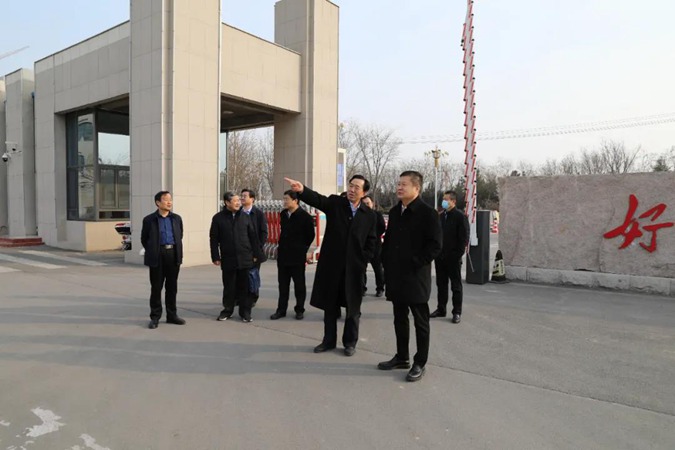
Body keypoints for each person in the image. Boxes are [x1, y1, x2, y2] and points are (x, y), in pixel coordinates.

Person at [285, 175, 377, 356]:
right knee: (330, 306)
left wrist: (363, 259)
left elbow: (371, 241)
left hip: (354, 268)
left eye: (357, 187)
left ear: (364, 192)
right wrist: (302, 190)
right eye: (350, 185)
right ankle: (328, 341)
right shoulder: (336, 204)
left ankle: (350, 343)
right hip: (332, 266)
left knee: (353, 308)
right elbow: (318, 200)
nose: (352, 190)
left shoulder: (369, 215)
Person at [379, 171, 442, 382]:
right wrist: (385, 261)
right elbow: (389, 240)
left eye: (404, 184)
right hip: (396, 275)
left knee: (420, 321)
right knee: (399, 318)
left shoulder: (428, 213)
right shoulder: (395, 211)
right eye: (398, 184)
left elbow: (435, 246)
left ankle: (420, 362)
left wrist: (415, 262)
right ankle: (401, 357)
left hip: (416, 277)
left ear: (416, 188)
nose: (399, 187)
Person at [210, 191, 266, 323]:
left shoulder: (245, 217)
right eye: (235, 201)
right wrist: (215, 256)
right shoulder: (218, 218)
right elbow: (214, 239)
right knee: (229, 287)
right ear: (227, 202)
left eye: (239, 201)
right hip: (228, 258)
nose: (238, 203)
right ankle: (227, 310)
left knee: (245, 287)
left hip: (245, 258)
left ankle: (245, 312)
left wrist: (256, 255)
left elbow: (253, 237)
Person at [140, 191, 186, 329]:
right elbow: (144, 239)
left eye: (170, 199)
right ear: (158, 203)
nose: (169, 202)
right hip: (157, 255)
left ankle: (172, 315)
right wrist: (153, 249)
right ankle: (155, 317)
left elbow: (180, 235)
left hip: (173, 254)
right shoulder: (149, 220)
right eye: (165, 199)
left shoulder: (176, 218)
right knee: (156, 287)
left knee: (172, 287)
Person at [271, 190, 316, 320]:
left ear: (295, 201)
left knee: (299, 285)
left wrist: (302, 249)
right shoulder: (283, 214)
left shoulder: (305, 217)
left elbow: (310, 236)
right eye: (284, 199)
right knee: (283, 286)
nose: (284, 202)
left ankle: (299, 309)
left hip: (297, 256)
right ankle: (281, 310)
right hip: (283, 256)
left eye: (287, 199)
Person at [431, 190, 470, 323]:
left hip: (453, 258)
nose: (444, 202)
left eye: (446, 199)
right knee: (441, 285)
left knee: (456, 286)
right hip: (440, 257)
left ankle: (457, 312)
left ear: (453, 201)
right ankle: (441, 309)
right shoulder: (441, 216)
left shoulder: (460, 217)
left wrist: (457, 255)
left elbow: (464, 238)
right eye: (443, 199)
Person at [240, 189, 268, 307]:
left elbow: (263, 232)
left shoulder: (258, 214)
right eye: (241, 196)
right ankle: (241, 298)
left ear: (252, 199)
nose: (242, 198)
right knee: (241, 276)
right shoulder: (238, 213)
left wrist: (258, 248)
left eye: (245, 196)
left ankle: (253, 298)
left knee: (253, 275)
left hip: (254, 251)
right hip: (241, 251)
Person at [361, 195, 386, 297]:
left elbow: (382, 227)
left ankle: (380, 288)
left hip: (376, 246)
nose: (366, 205)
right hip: (363, 246)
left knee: (378, 268)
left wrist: (373, 236)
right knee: (362, 269)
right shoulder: (360, 215)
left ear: (372, 204)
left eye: (368, 203)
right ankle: (362, 288)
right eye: (364, 204)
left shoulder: (377, 215)